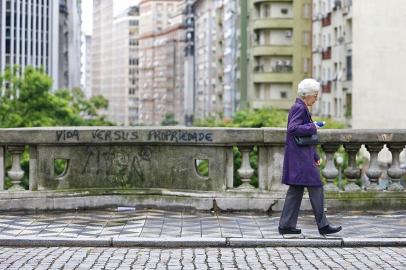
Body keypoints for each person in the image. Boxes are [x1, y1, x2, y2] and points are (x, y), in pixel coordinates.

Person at [278, 78, 342, 235]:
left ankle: (286, 225)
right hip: (301, 160)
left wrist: (314, 154)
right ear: (307, 95)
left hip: (301, 157)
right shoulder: (299, 108)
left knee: (296, 190)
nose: (317, 98)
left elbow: (302, 139)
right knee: (316, 186)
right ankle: (323, 225)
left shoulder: (300, 107)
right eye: (315, 95)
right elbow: (293, 130)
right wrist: (313, 126)